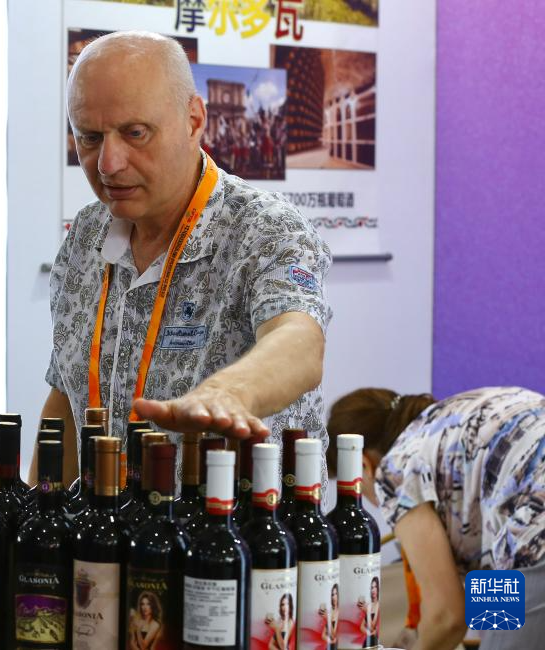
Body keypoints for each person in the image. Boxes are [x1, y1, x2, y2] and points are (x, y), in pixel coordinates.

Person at [43, 30, 331, 481]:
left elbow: (300, 340)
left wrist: (230, 392)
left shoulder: (263, 228)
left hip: (236, 523)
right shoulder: (86, 233)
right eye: (90, 138)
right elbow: (66, 394)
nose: (108, 163)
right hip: (103, 521)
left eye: (135, 133)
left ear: (194, 120)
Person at [327, 386, 545, 650]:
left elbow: (447, 617)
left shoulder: (396, 468)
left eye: (361, 490)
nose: (375, 504)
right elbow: (494, 579)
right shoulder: (448, 421)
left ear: (363, 465)